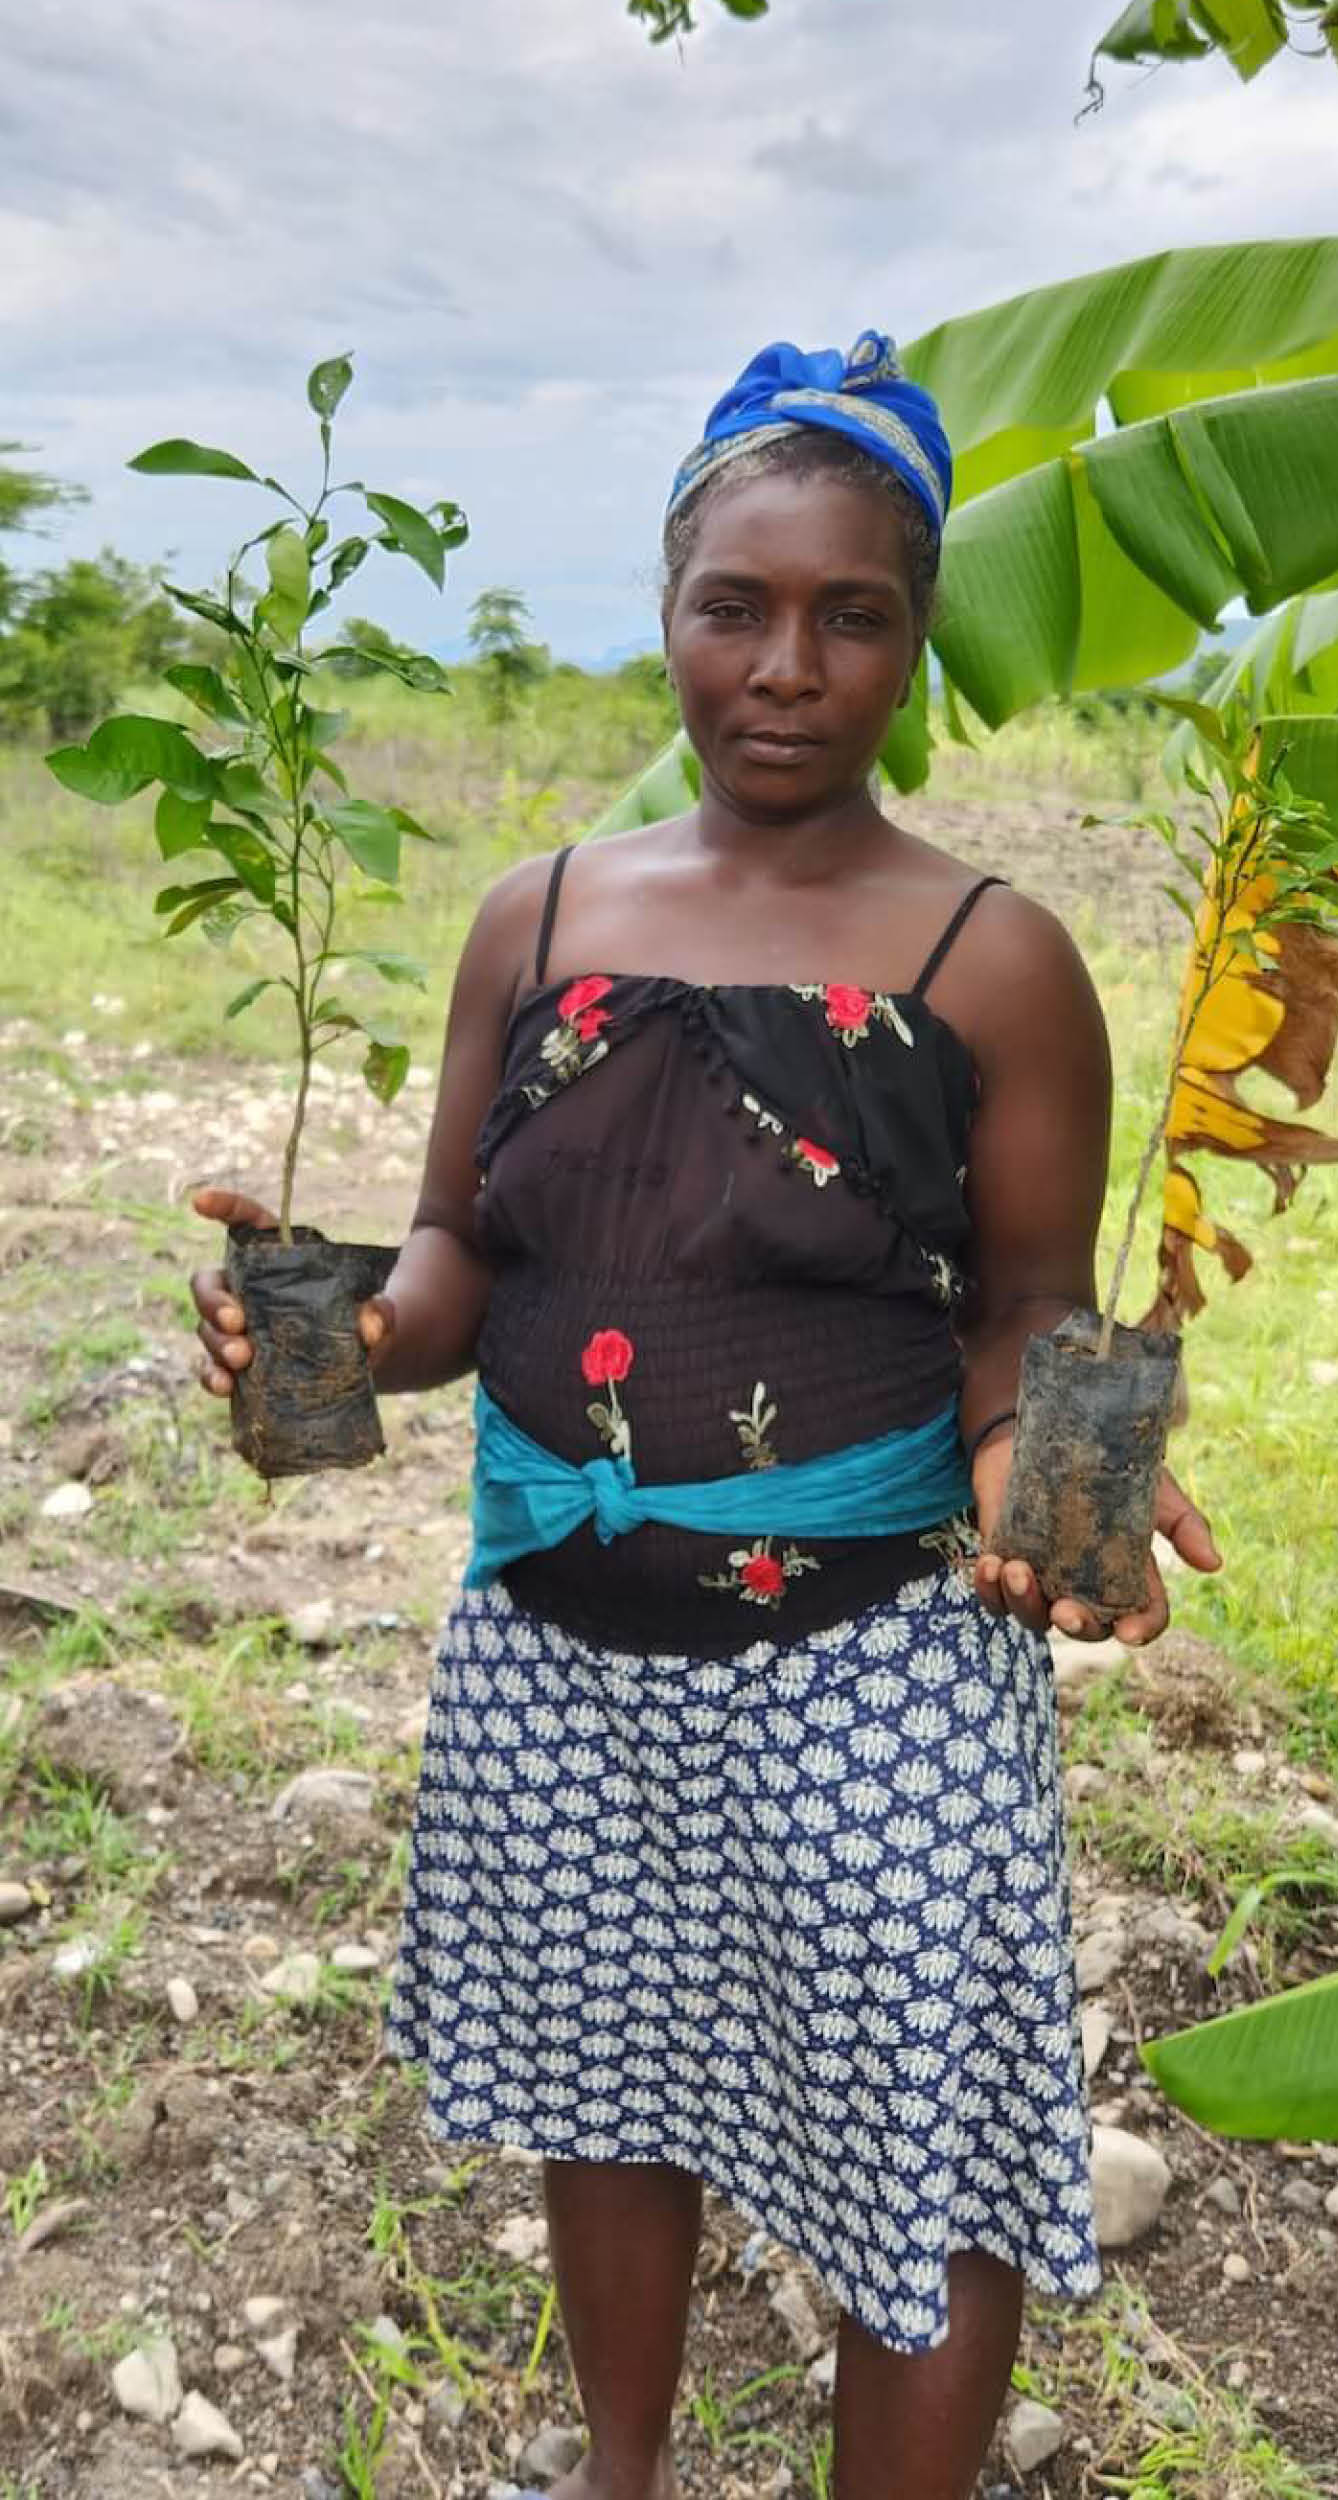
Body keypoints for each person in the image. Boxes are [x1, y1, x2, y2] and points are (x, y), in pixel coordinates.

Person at [187, 333, 1219, 2500]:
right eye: (735, 605)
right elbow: (466, 1252)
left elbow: (1032, 1300)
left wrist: (1076, 1472)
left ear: (915, 637)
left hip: (877, 1671)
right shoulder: (541, 918)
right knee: (608, 2079)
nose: (784, 664)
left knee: (910, 2153)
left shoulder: (991, 956)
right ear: (667, 609)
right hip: (558, 1647)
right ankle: (623, 2467)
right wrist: (339, 1327)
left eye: (851, 616)